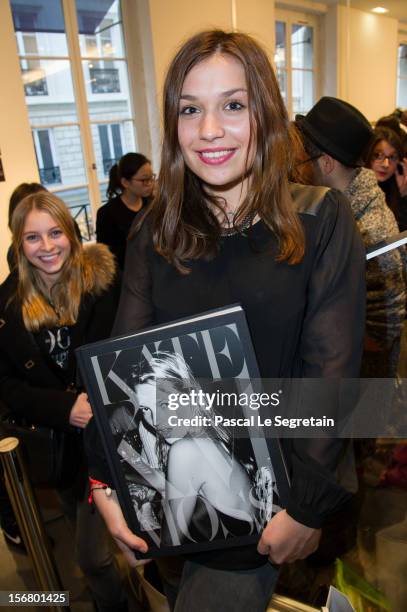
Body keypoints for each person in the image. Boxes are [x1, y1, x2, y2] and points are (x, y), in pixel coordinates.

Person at [86, 30, 366, 612]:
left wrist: (307, 506)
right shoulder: (153, 231)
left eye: (232, 105)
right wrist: (103, 480)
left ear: (264, 114)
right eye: (191, 109)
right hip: (166, 493)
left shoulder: (319, 219)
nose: (209, 129)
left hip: (268, 502)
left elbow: (332, 371)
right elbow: (123, 360)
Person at [0, 192, 127, 611]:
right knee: (92, 548)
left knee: (94, 558)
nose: (48, 246)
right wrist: (63, 407)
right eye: (33, 237)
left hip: (117, 437)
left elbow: (131, 350)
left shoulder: (103, 284)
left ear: (72, 233)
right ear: (18, 244)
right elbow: (8, 387)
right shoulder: (8, 306)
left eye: (56, 232)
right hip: (63, 450)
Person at [112, 352, 273, 548]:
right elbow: (174, 486)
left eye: (164, 404)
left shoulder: (185, 451)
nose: (155, 421)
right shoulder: (211, 435)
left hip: (231, 572)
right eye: (146, 409)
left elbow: (169, 544)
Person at [297, 97, 406, 379]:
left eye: (304, 160)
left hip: (361, 384)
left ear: (326, 163)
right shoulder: (334, 207)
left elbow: (388, 323)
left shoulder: (370, 225)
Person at [96, 153, 155, 269]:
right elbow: (107, 258)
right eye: (144, 180)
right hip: (125, 277)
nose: (150, 184)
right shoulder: (107, 213)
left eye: (151, 178)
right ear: (125, 182)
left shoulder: (153, 205)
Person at [365, 126, 407, 231]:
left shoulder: (399, 188)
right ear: (368, 154)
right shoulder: (357, 188)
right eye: (378, 155)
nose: (386, 164)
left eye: (392, 157)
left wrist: (403, 197)